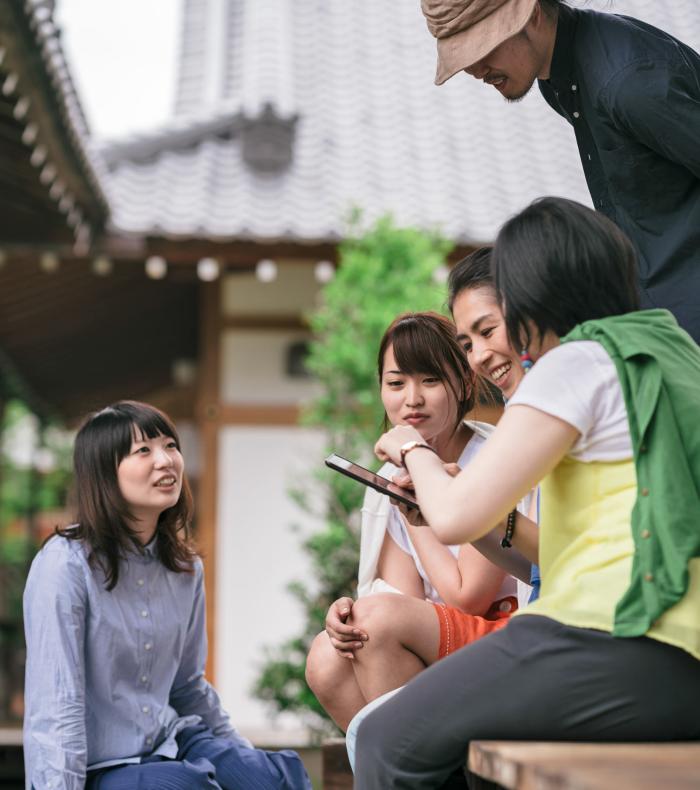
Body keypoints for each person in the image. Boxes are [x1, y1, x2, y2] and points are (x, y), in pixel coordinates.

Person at [355, 197, 700, 788]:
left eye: (493, 323)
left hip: (613, 635)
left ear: (536, 291)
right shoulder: (677, 352)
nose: (490, 350)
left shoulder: (571, 363)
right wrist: (487, 515)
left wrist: (412, 448)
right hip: (680, 653)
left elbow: (456, 517)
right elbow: (569, 548)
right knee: (477, 760)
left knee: (387, 738)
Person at [23, 401, 311, 790]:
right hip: (102, 765)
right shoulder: (65, 565)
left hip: (173, 741)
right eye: (143, 451)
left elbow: (188, 687)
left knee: (275, 777)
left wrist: (246, 763)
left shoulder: (185, 567)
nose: (166, 461)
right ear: (105, 473)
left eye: (170, 445)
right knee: (182, 786)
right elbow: (57, 703)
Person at [420, 0, 700, 343]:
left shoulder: (627, 83)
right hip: (660, 325)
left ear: (532, 12)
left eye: (483, 46)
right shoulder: (556, 80)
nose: (475, 70)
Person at [305, 312, 529, 733]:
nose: (412, 399)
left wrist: (416, 512)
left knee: (374, 624)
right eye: (396, 383)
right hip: (444, 636)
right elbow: (401, 600)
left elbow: (469, 598)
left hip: (505, 631)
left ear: (463, 383)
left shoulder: (490, 459)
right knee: (329, 655)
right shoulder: (391, 478)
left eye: (429, 380)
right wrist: (347, 613)